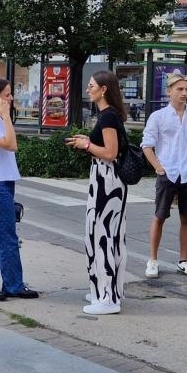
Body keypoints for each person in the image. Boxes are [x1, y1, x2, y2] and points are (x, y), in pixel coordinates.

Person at [67, 71, 128, 316]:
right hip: (105, 181)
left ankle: (108, 297)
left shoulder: (108, 116)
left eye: (91, 85)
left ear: (104, 89)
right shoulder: (107, 115)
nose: (88, 89)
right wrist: (87, 141)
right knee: (101, 235)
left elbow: (111, 153)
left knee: (102, 237)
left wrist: (87, 145)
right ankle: (103, 289)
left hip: (108, 182)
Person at [140, 73, 187, 280]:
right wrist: (158, 167)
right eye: (179, 89)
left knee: (186, 217)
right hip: (167, 171)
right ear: (169, 91)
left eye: (186, 89)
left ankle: (183, 260)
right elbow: (147, 145)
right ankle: (152, 260)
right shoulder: (159, 116)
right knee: (159, 216)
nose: (184, 93)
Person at [0, 75, 38, 301]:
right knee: (8, 238)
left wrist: (4, 118)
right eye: (7, 95)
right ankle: (13, 285)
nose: (12, 98)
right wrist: (6, 117)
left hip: (2, 182)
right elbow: (11, 145)